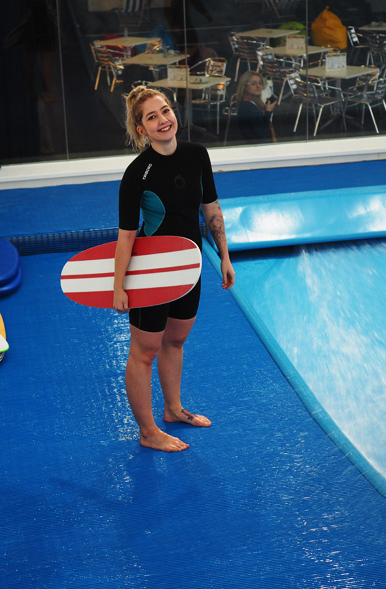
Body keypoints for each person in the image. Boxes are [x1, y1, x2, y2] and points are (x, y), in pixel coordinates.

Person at [114, 86, 235, 452]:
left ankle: (173, 409)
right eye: (152, 117)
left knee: (176, 340)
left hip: (188, 265)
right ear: (142, 130)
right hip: (150, 272)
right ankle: (148, 432)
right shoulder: (137, 173)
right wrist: (119, 286)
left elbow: (211, 208)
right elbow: (126, 234)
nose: (163, 120)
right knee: (144, 351)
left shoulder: (197, 155)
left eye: (165, 110)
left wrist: (224, 256)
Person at [235, 71, 278, 142]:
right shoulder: (249, 108)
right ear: (245, 86)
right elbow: (263, 134)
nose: (258, 86)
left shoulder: (252, 102)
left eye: (260, 83)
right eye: (253, 83)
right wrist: (268, 112)